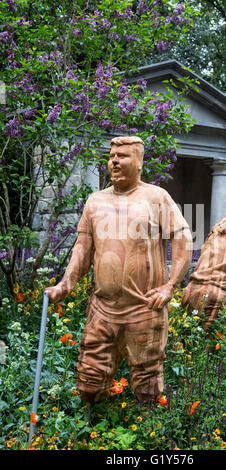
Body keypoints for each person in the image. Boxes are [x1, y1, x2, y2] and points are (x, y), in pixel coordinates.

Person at [46, 136, 192, 404]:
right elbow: (82, 247)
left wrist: (170, 286)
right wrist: (65, 284)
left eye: (122, 156)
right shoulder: (95, 201)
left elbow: (183, 237)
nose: (113, 160)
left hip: (144, 308)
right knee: (89, 382)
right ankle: (93, 432)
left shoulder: (156, 197)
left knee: (148, 388)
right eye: (111, 155)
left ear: (138, 162)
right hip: (102, 309)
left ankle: (147, 436)